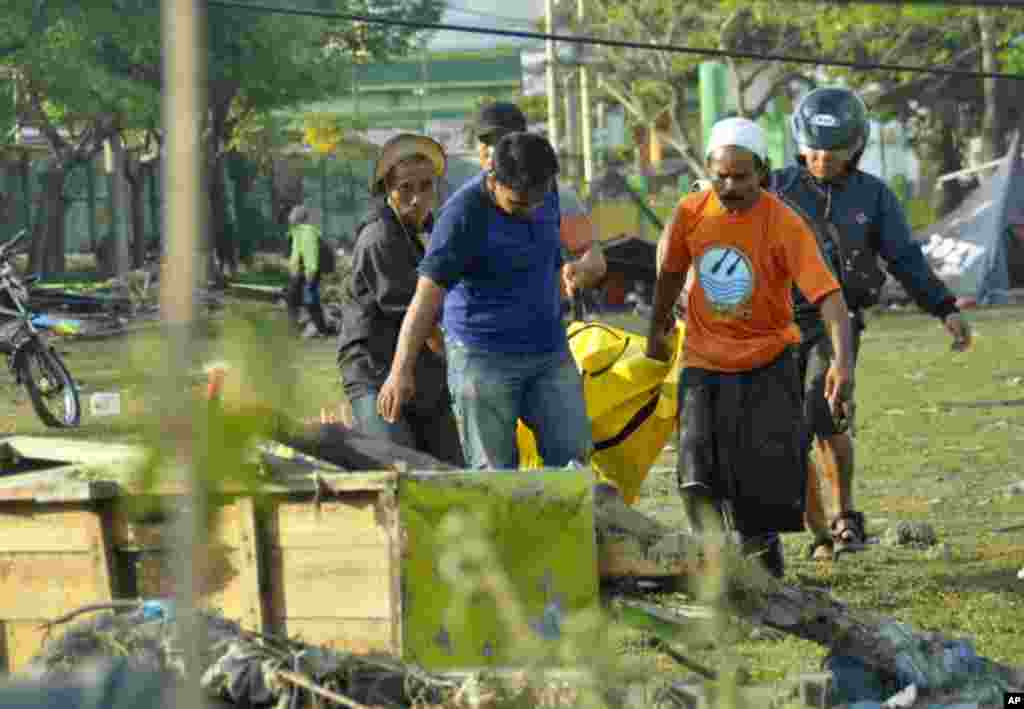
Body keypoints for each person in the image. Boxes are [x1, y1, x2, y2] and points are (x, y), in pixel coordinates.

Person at [646, 117, 856, 578]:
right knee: (695, 470)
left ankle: (764, 572)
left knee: (758, 485)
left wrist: (842, 362)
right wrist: (655, 332)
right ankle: (713, 568)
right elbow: (669, 277)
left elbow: (829, 296)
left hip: (767, 362)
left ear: (761, 172)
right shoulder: (691, 212)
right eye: (721, 175)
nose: (730, 185)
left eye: (741, 176)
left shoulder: (783, 222)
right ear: (708, 169)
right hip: (703, 360)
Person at [771, 87, 972, 560]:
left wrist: (945, 308)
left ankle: (845, 519)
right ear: (800, 144)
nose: (821, 160)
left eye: (834, 152)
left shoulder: (873, 196)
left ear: (855, 148)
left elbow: (905, 259)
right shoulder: (775, 187)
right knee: (789, 427)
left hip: (835, 322)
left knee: (825, 410)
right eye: (814, 150)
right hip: (775, 323)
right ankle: (818, 532)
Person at [377, 132, 601, 470]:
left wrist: (580, 267)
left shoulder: (546, 192)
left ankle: (571, 524)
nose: (531, 211)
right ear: (493, 180)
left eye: (537, 201)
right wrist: (400, 371)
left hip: (548, 352)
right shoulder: (461, 217)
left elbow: (581, 250)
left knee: (574, 459)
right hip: (482, 359)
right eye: (518, 204)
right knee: (495, 475)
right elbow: (425, 299)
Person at [336, 133, 464, 466]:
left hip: (426, 376)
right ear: (387, 190)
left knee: (455, 473)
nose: (417, 198)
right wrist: (468, 368)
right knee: (403, 473)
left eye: (425, 186)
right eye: (405, 188)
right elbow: (423, 321)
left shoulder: (434, 232)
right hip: (376, 373)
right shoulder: (379, 238)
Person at [461, 102, 607, 302]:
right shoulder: (460, 201)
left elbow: (594, 258)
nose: (492, 149)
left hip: (546, 321)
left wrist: (581, 269)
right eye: (485, 141)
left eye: (502, 140)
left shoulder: (557, 196)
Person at [286, 204, 334, 337]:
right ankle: (317, 329)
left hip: (311, 271)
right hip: (306, 271)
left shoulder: (305, 232)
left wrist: (310, 273)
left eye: (292, 215)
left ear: (297, 218)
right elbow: (296, 254)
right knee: (297, 298)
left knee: (307, 300)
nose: (290, 217)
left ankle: (320, 329)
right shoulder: (298, 231)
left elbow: (310, 254)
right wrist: (293, 269)